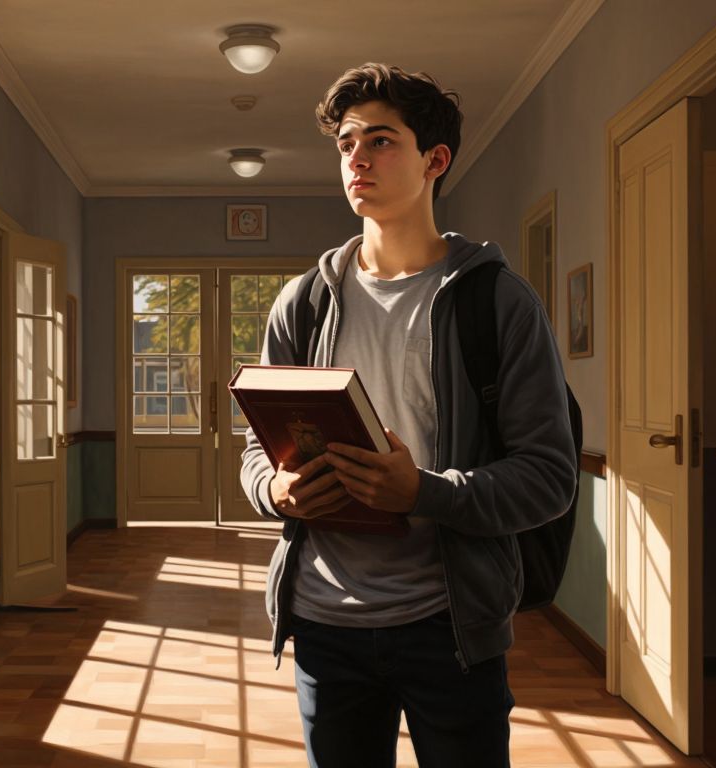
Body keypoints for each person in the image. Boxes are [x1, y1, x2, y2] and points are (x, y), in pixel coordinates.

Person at [239, 63, 578, 767]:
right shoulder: (302, 305)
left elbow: (548, 478)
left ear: (436, 159)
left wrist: (422, 492)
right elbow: (254, 454)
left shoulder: (499, 304)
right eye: (346, 143)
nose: (356, 158)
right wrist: (276, 491)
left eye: (381, 141)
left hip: (450, 628)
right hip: (326, 627)